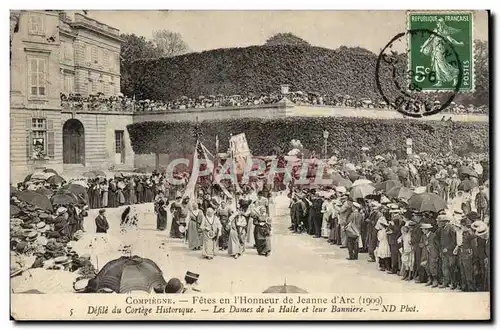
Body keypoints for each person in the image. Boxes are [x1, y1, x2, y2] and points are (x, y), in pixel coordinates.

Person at [435, 214, 457, 289]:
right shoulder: (440, 229)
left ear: (444, 222)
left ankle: (453, 283)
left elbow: (454, 241)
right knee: (444, 267)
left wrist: (448, 248)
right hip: (443, 252)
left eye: (439, 221)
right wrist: (440, 247)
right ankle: (446, 282)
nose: (437, 223)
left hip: (451, 252)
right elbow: (435, 237)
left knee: (452, 267)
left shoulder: (451, 228)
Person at [420, 223, 439, 288]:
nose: (422, 230)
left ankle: (435, 280)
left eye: (423, 229)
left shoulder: (434, 235)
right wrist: (424, 244)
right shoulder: (423, 236)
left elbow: (438, 245)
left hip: (433, 254)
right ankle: (430, 279)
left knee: (433, 267)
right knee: (426, 267)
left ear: (427, 229)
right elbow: (420, 245)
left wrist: (437, 254)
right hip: (425, 254)